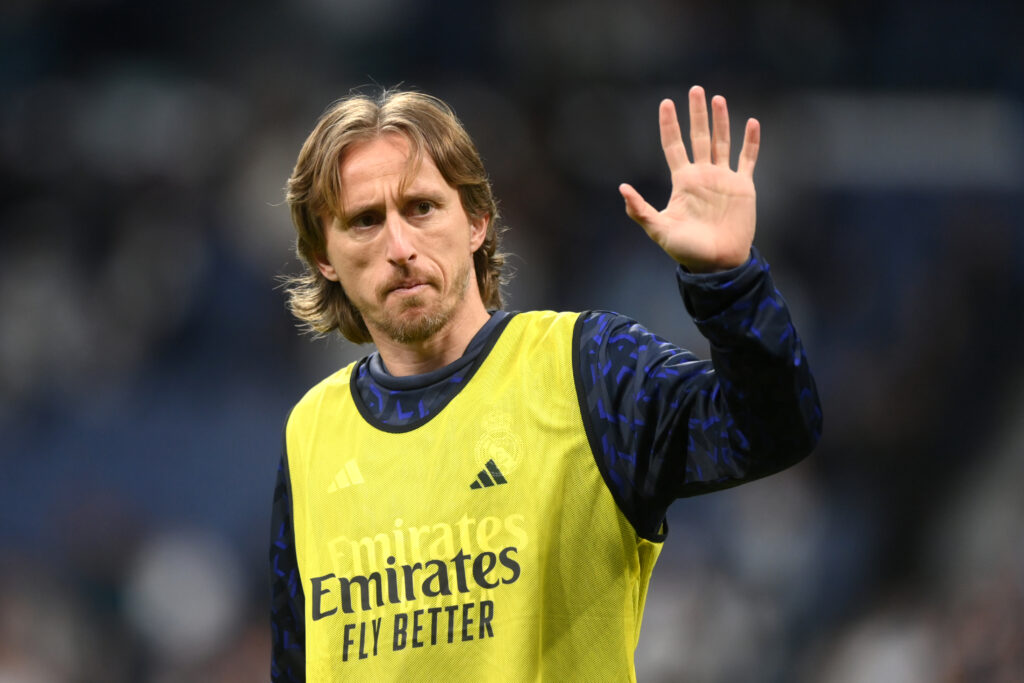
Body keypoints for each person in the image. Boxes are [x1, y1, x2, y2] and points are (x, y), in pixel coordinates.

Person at [270, 85, 821, 681]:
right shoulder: (310, 433)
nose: (400, 247)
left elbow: (772, 430)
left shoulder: (587, 369)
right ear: (323, 255)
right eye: (365, 221)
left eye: (423, 208)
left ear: (478, 221)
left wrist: (728, 283)